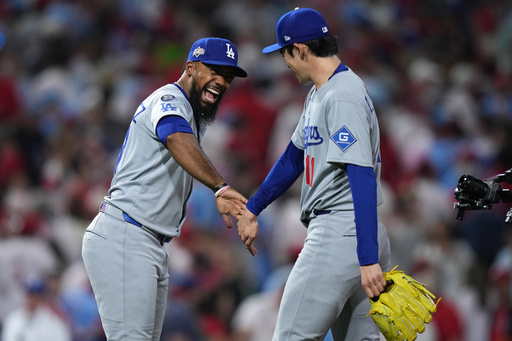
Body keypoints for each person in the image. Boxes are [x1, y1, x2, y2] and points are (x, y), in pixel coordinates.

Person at [237, 8, 391, 341]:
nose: (285, 62)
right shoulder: (321, 92)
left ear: (302, 49)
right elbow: (293, 158)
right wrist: (253, 208)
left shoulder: (342, 94)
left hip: (341, 233)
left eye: (285, 53)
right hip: (359, 235)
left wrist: (367, 258)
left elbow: (361, 174)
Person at [81, 37, 248, 341]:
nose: (221, 81)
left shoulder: (191, 113)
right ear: (190, 67)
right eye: (214, 70)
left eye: (228, 76)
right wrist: (220, 188)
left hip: (146, 241)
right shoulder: (168, 99)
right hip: (126, 235)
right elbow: (175, 137)